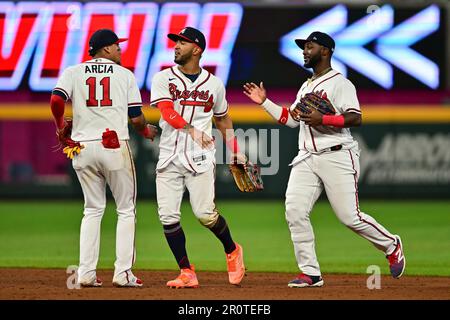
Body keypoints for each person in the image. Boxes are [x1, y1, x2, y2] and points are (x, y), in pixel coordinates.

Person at [243, 31, 405, 287]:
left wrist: (324, 119)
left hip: (338, 154)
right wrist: (265, 102)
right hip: (307, 157)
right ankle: (311, 273)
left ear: (326, 51)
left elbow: (356, 117)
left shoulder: (340, 83)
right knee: (294, 211)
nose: (305, 51)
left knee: (349, 217)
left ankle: (391, 244)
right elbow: (291, 120)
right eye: (304, 47)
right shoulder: (306, 85)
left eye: (310, 46)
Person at [50, 29, 158, 287]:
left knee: (92, 209)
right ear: (106, 49)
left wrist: (58, 124)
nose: (120, 49)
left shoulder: (73, 71)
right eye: (116, 46)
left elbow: (56, 99)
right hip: (113, 145)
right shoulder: (124, 75)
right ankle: (123, 273)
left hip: (82, 147)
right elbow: (135, 117)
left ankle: (86, 273)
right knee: (126, 209)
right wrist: (144, 129)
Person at [150, 27, 246, 288]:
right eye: (175, 42)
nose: (176, 46)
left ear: (197, 49)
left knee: (205, 214)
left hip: (200, 155)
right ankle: (186, 272)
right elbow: (166, 111)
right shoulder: (162, 78)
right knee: (168, 217)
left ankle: (232, 250)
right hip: (170, 154)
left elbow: (223, 118)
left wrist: (235, 149)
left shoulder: (214, 83)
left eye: (182, 42)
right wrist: (190, 129)